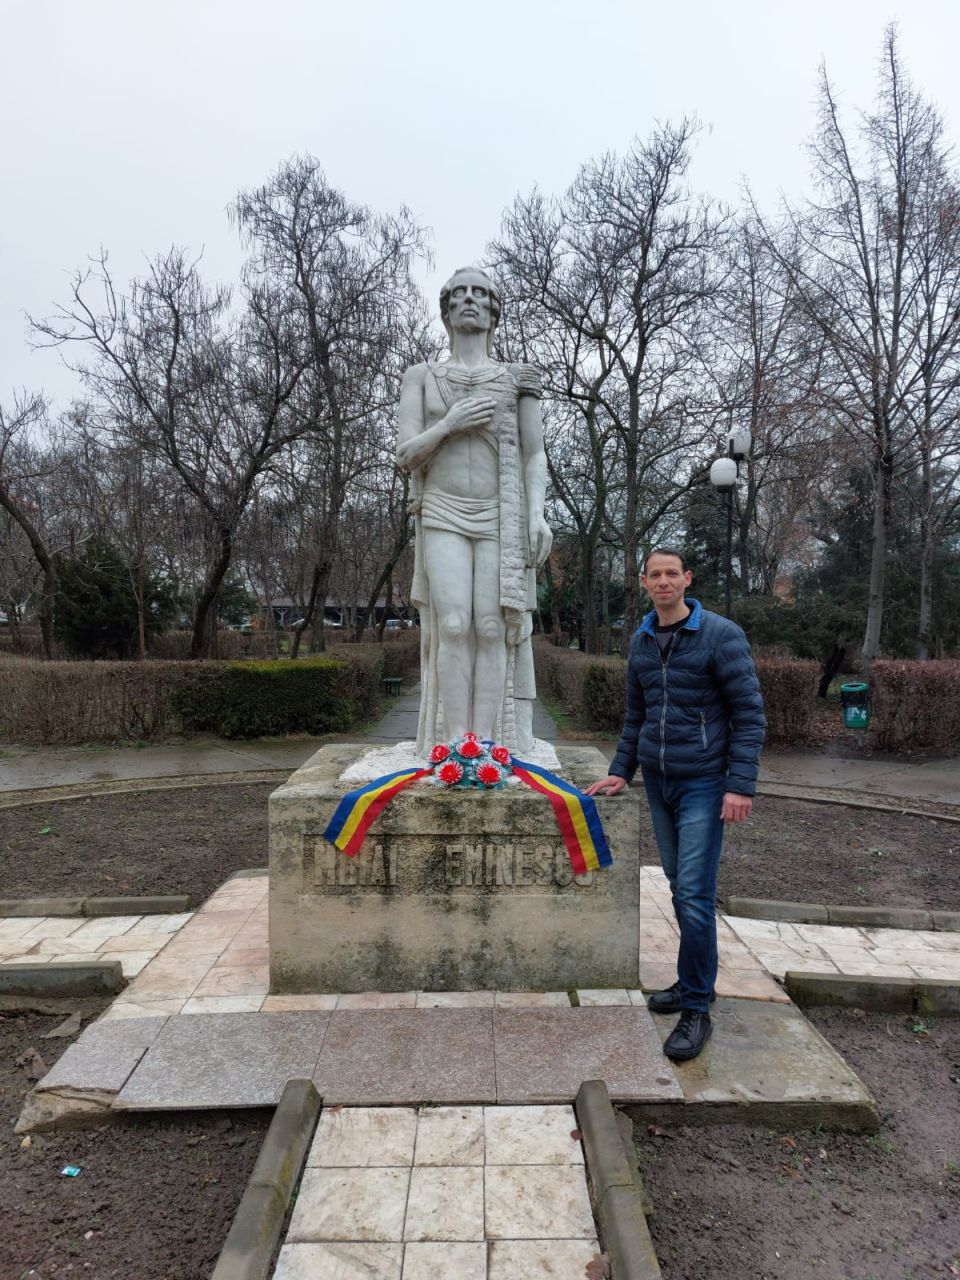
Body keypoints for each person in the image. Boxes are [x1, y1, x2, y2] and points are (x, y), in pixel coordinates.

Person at [585, 549, 765, 1061]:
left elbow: (749, 714)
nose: (663, 581)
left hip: (704, 782)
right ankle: (693, 981)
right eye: (654, 575)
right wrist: (621, 770)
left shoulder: (720, 635)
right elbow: (636, 715)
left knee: (693, 893)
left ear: (687, 579)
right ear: (644, 582)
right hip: (659, 782)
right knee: (679, 886)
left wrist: (740, 785)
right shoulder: (641, 640)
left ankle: (696, 1008)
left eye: (672, 573)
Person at [396, 267, 552, 755]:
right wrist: (450, 425)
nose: (470, 299)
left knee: (490, 627)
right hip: (442, 510)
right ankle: (454, 744)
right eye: (459, 293)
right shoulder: (421, 376)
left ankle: (484, 747)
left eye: (479, 293)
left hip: (499, 516)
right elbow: (405, 455)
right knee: (453, 624)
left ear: (492, 310)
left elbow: (534, 453)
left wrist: (537, 514)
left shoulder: (516, 378)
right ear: (446, 311)